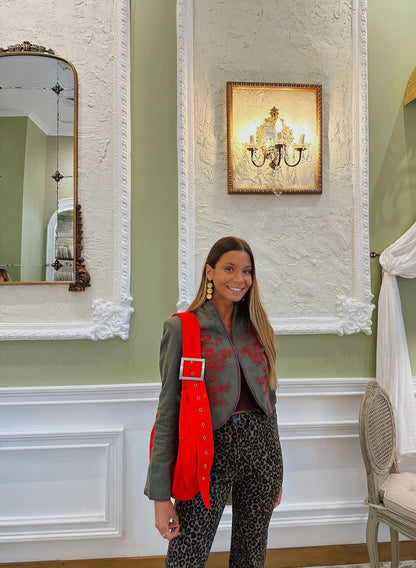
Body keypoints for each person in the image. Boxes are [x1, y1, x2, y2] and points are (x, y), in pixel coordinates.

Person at [145, 236, 283, 568]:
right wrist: (160, 496)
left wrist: (278, 471)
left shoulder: (257, 327)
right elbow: (168, 412)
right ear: (210, 272)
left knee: (251, 559)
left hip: (263, 455)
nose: (240, 279)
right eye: (229, 269)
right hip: (208, 456)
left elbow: (270, 403)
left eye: (247, 271)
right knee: (186, 559)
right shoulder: (183, 328)